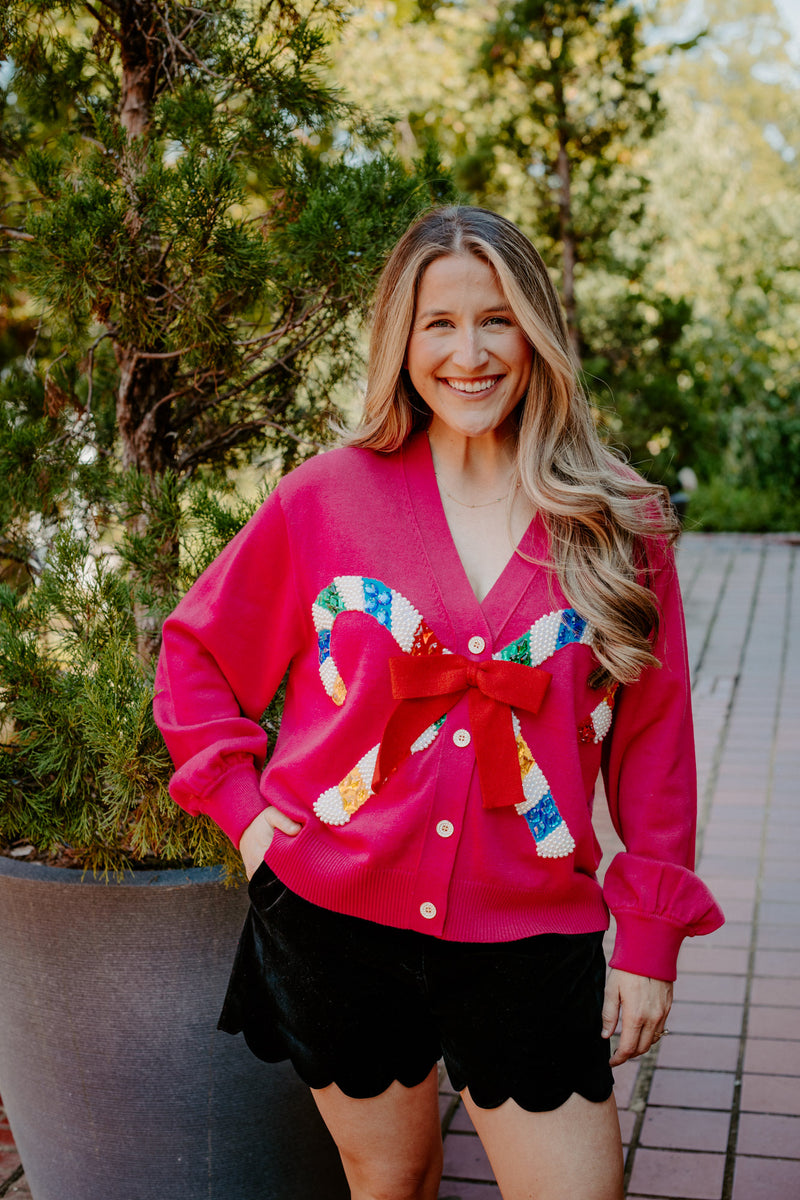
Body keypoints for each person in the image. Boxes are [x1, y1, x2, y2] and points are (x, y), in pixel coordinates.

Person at [154, 205, 724, 1200]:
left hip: (528, 932)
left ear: (534, 331)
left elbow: (652, 746)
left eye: (495, 319)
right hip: (333, 917)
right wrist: (248, 823)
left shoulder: (614, 521)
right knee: (392, 1181)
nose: (469, 353)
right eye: (438, 324)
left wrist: (646, 941)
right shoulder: (323, 498)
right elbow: (196, 658)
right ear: (400, 341)